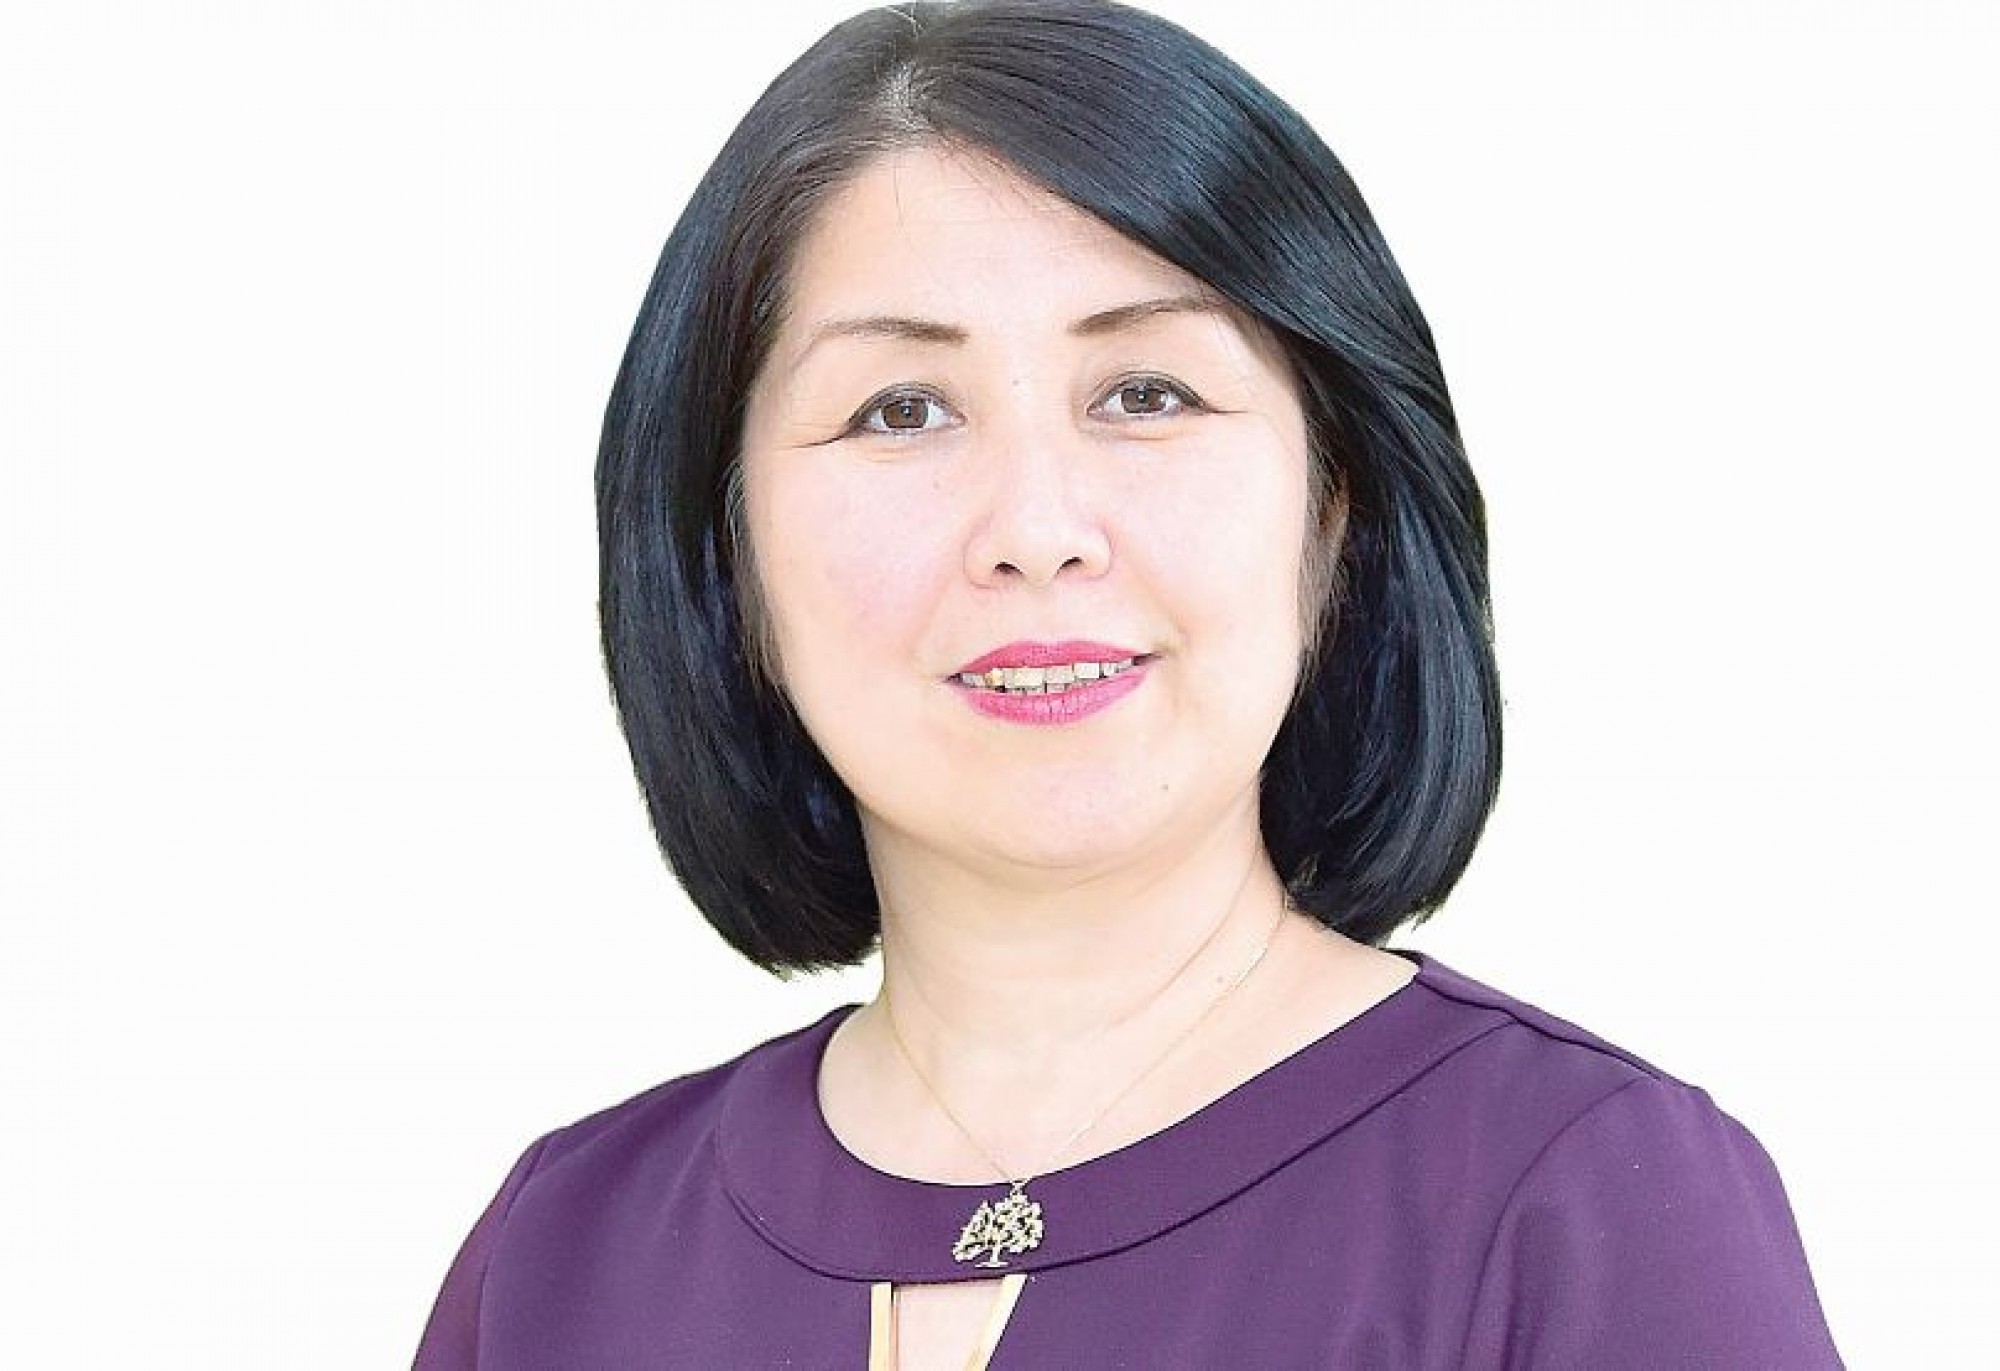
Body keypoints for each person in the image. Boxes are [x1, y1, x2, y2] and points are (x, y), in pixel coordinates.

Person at [415, 1, 1843, 1365]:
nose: (1038, 530)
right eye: (900, 410)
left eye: (1146, 394)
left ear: (1334, 510)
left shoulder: (1594, 1204)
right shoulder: (557, 1258)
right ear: (724, 543)